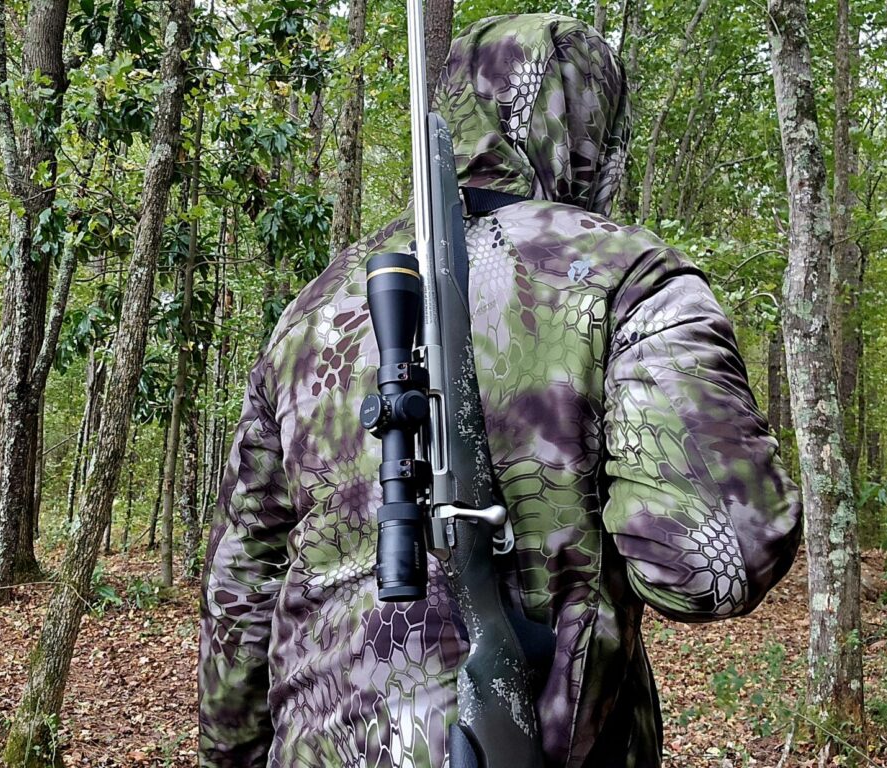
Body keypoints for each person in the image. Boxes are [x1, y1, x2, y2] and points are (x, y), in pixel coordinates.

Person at [198, 13, 802, 768]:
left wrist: (236, 753)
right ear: (589, 132)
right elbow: (708, 570)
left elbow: (241, 592)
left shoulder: (310, 312)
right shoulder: (632, 281)